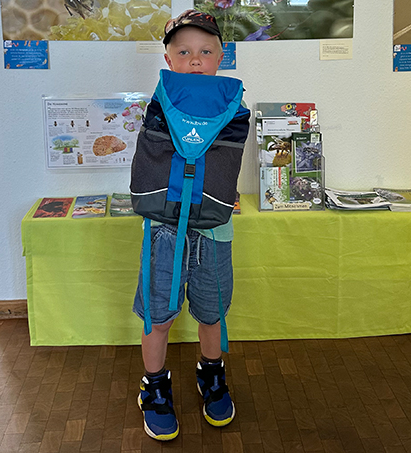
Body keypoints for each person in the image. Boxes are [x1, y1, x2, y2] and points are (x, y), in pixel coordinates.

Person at [131, 10, 249, 441]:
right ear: (168, 59)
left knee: (212, 311)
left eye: (205, 51)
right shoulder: (161, 101)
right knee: (158, 315)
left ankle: (211, 373)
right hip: (164, 227)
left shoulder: (234, 104)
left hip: (215, 227)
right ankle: (154, 385)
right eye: (183, 52)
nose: (195, 59)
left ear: (222, 56)